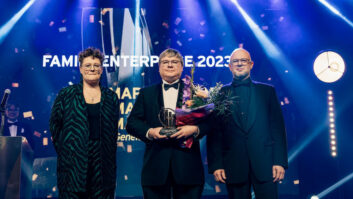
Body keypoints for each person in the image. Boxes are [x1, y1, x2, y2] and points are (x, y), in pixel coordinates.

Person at [126, 48, 209, 199]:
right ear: (159, 68)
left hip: (188, 168)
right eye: (165, 62)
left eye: (174, 62)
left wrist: (195, 129)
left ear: (182, 67)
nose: (170, 65)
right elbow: (132, 123)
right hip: (155, 168)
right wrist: (150, 132)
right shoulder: (146, 93)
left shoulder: (195, 92)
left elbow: (210, 123)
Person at [207, 48, 288, 199]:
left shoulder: (267, 91)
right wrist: (216, 165)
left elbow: (277, 129)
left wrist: (280, 161)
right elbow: (215, 133)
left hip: (266, 164)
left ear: (251, 64)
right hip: (234, 164)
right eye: (235, 61)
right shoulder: (220, 94)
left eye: (243, 61)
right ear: (230, 66)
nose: (239, 64)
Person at [49, 47, 119, 199]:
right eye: (88, 65)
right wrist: (67, 151)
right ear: (81, 69)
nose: (92, 69)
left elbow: (113, 131)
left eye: (96, 65)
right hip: (72, 165)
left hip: (103, 165)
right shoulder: (66, 94)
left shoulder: (111, 97)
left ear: (101, 69)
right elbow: (55, 126)